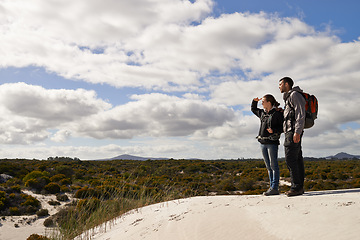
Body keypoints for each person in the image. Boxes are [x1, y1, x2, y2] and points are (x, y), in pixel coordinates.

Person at [251, 94, 284, 196]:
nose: (262, 103)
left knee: (274, 166)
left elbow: (283, 127)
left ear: (269, 102)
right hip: (262, 143)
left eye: (263, 101)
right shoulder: (262, 113)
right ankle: (271, 187)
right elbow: (253, 109)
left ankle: (274, 188)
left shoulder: (277, 114)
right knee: (268, 167)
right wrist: (254, 101)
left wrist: (274, 130)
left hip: (272, 143)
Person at [279, 77, 306, 197]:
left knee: (290, 159)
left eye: (280, 84)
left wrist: (297, 132)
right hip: (290, 131)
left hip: (293, 131)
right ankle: (299, 187)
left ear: (286, 84)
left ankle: (296, 187)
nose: (279, 86)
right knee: (297, 159)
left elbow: (301, 113)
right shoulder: (288, 97)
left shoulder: (295, 94)